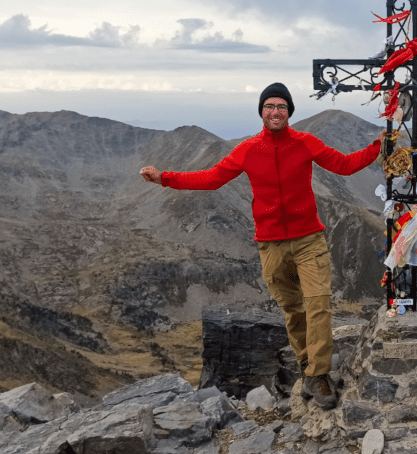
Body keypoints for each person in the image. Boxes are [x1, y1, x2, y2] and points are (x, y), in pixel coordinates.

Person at [140, 83, 382, 410]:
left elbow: (344, 165)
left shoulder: (305, 142)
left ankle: (319, 374)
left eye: (282, 106)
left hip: (309, 238)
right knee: (293, 310)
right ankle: (306, 367)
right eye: (269, 106)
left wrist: (378, 146)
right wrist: (164, 178)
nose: (275, 111)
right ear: (261, 111)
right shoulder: (248, 149)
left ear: (289, 112)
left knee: (318, 303)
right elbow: (211, 178)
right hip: (271, 245)